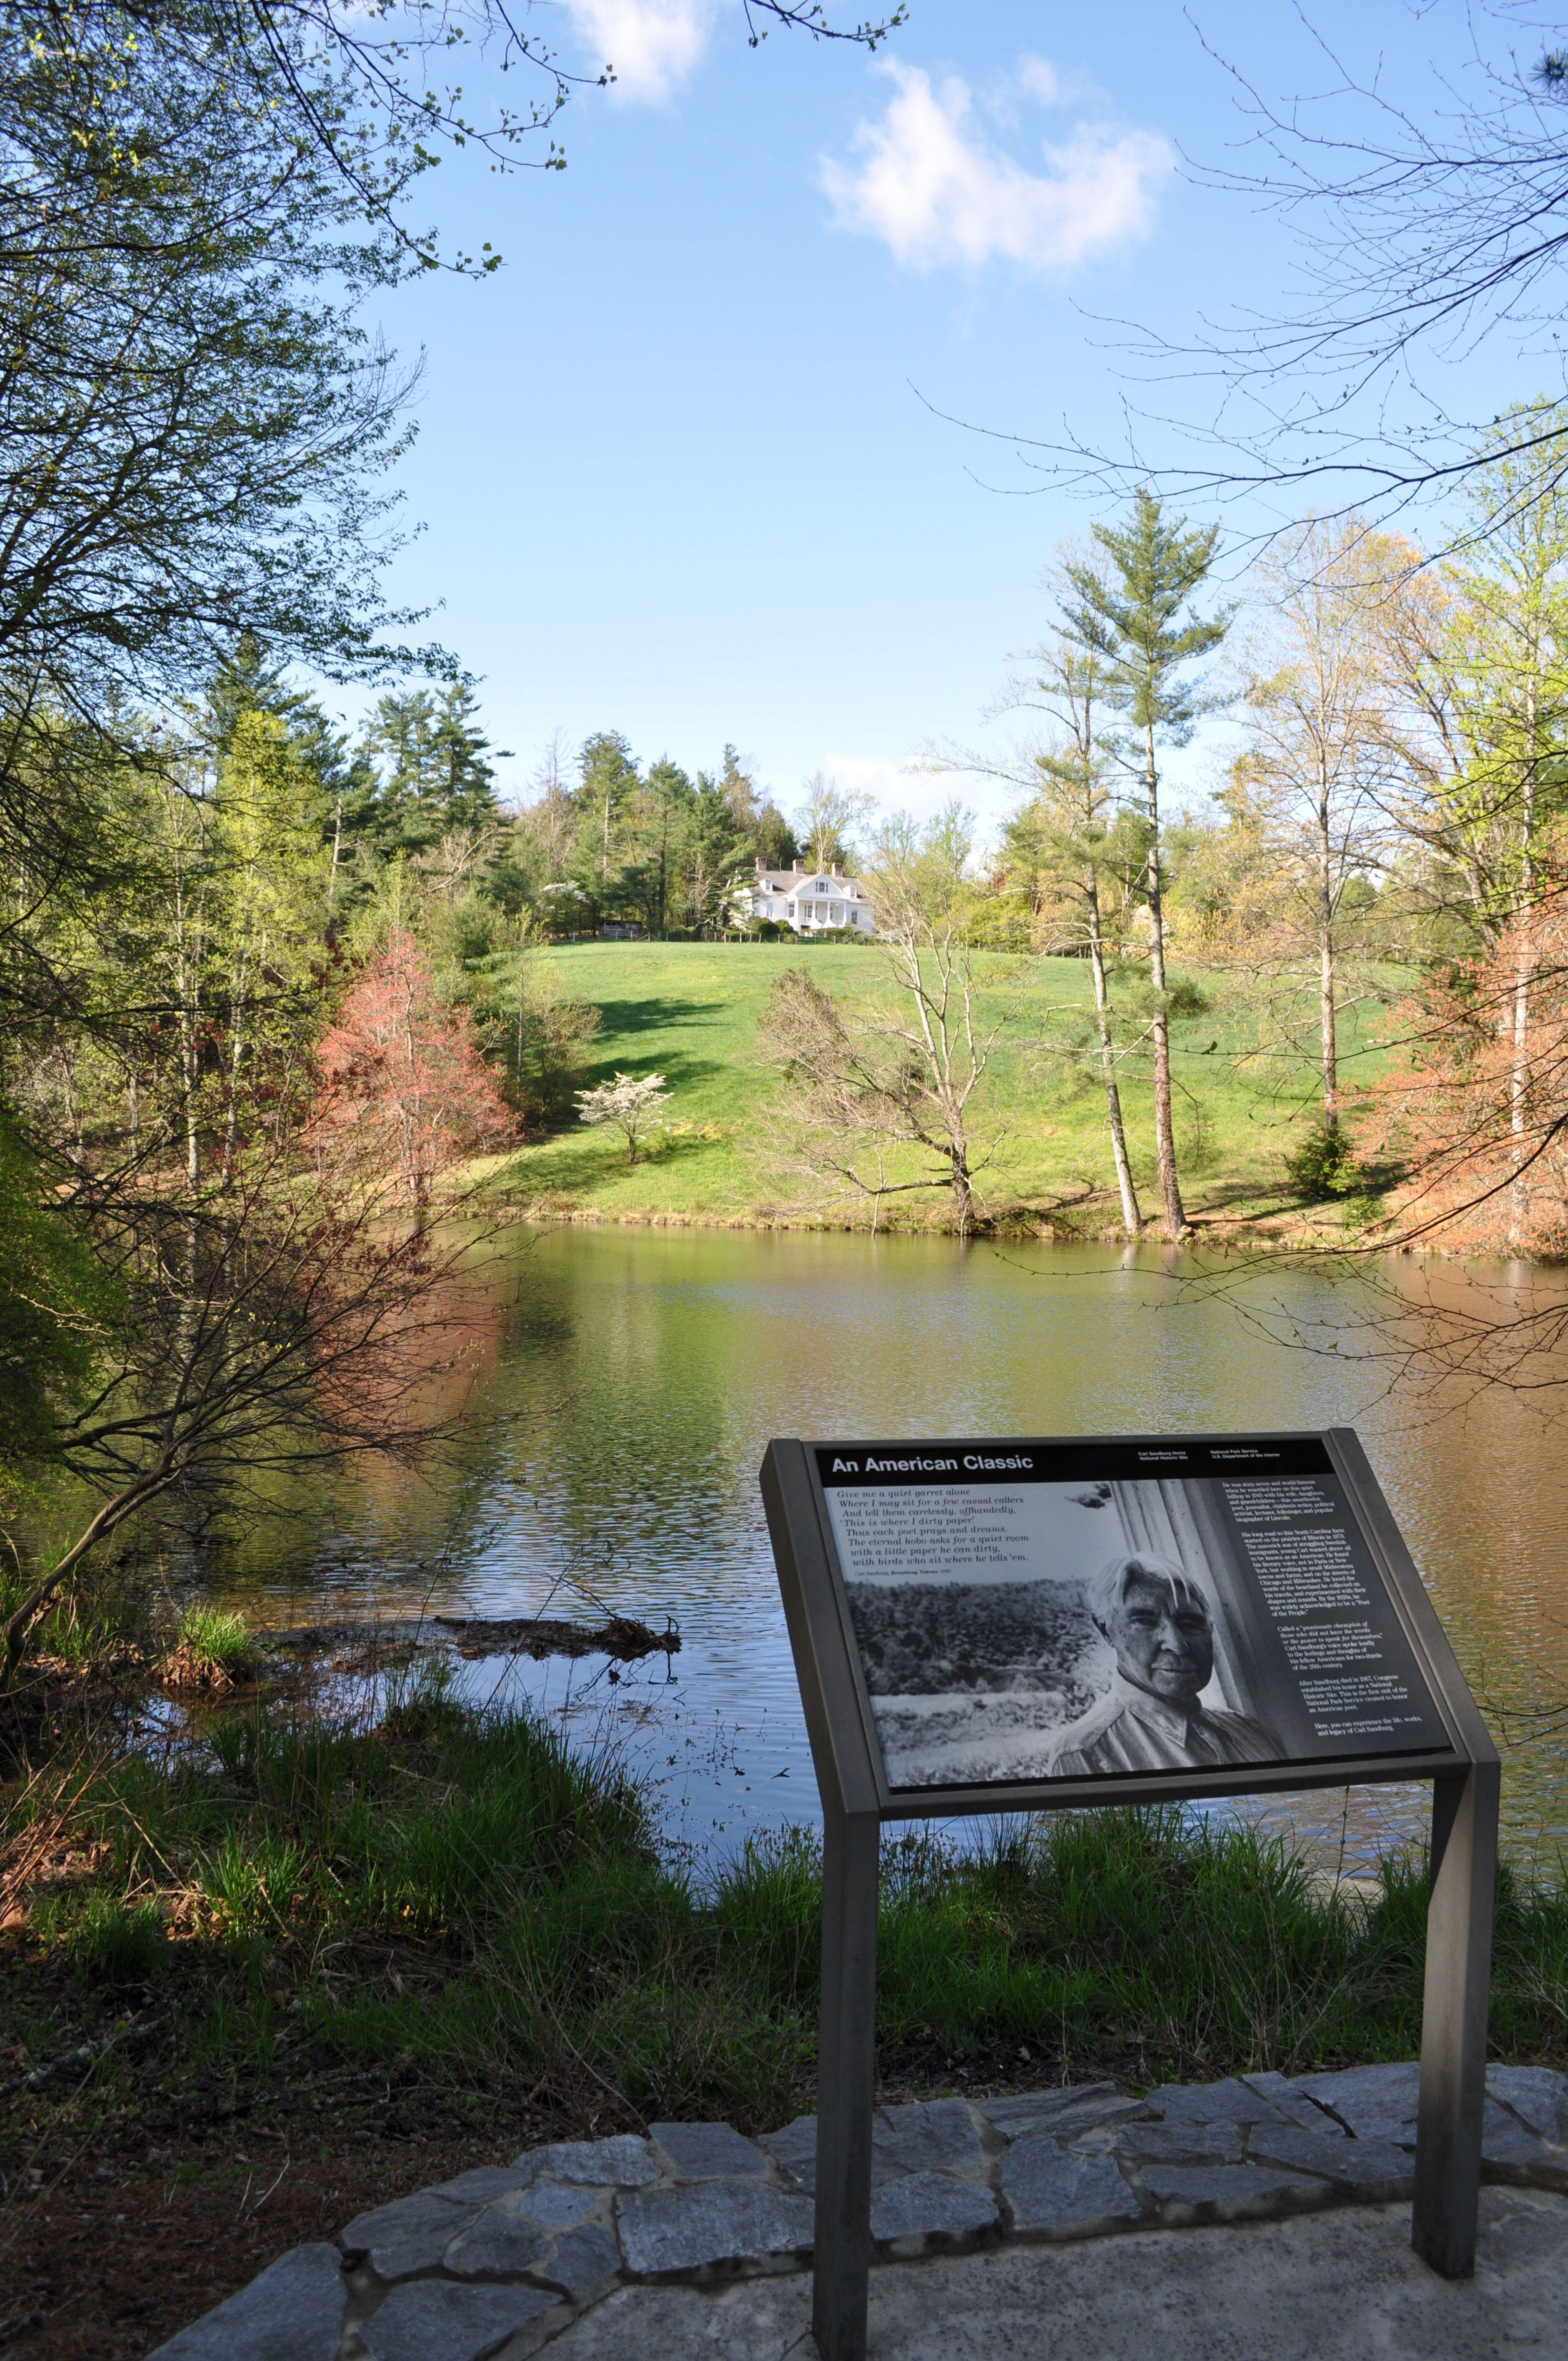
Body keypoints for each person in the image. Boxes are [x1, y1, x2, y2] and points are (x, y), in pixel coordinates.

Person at [1047, 1552, 1280, 1776]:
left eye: (1190, 1623)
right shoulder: (1085, 1753)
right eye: (1145, 1622)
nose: (1178, 1645)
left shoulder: (1248, 1729)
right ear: (1107, 1632)